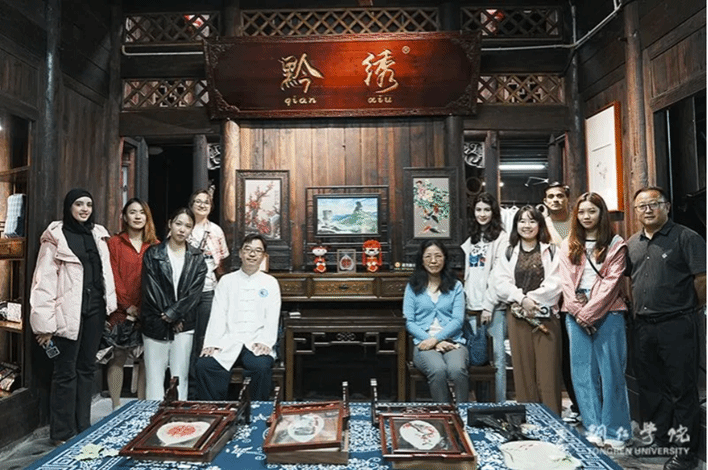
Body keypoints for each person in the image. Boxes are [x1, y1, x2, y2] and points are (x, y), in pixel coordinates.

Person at [626, 186, 706, 470]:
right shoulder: (632, 243)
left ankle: (685, 455)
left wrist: (687, 308)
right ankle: (658, 441)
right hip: (643, 326)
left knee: (682, 390)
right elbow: (629, 281)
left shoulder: (687, 237)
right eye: (642, 206)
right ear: (636, 211)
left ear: (667, 207)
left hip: (677, 324)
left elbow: (702, 280)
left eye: (654, 204)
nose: (648, 210)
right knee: (651, 388)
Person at [30, 188, 117, 444]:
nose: (84, 209)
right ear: (69, 207)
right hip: (67, 314)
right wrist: (44, 326)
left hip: (94, 311)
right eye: (79, 204)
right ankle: (62, 433)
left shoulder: (98, 235)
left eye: (88, 204)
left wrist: (109, 308)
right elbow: (43, 283)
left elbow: (104, 274)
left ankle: (83, 426)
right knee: (65, 372)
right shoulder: (55, 238)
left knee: (87, 369)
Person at [558, 192, 631, 449]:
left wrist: (588, 314)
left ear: (602, 214)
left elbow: (612, 283)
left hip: (609, 311)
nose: (586, 216)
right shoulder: (568, 243)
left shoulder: (616, 244)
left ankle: (616, 431)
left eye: (592, 211)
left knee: (612, 373)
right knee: (582, 373)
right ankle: (593, 427)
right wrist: (578, 312)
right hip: (575, 313)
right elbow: (566, 283)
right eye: (581, 212)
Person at [194, 234, 281, 401]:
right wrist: (212, 343)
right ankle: (215, 411)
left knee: (260, 366)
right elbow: (218, 314)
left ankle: (255, 411)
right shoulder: (226, 281)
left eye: (258, 251)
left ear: (264, 256)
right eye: (248, 250)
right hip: (229, 339)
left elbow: (272, 316)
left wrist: (266, 342)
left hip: (256, 340)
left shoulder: (270, 282)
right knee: (204, 365)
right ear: (240, 253)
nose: (252, 254)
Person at [495, 205, 562, 415]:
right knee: (523, 373)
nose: (527, 225)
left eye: (532, 221)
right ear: (515, 225)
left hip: (546, 317)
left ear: (540, 224)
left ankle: (552, 421)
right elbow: (500, 283)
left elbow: (557, 283)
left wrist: (531, 300)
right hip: (517, 317)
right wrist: (521, 299)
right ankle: (530, 420)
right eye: (522, 221)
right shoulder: (508, 252)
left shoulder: (552, 251)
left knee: (548, 373)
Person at [141, 207, 207, 401]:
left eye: (188, 226)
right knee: (154, 377)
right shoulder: (153, 253)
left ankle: (178, 414)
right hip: (156, 322)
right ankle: (153, 416)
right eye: (178, 224)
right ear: (170, 224)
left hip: (184, 325)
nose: (182, 229)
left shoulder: (197, 257)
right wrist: (169, 315)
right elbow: (151, 288)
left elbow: (194, 293)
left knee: (180, 377)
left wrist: (176, 314)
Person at [105, 198, 158, 409]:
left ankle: (142, 407)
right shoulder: (114, 243)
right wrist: (127, 305)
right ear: (125, 217)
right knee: (118, 356)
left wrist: (144, 308)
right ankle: (116, 406)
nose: (137, 216)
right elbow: (112, 276)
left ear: (147, 217)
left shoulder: (155, 245)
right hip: (122, 310)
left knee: (146, 360)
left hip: (147, 310)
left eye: (141, 212)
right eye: (133, 212)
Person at [404, 240, 468, 403]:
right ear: (422, 260)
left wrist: (437, 339)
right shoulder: (412, 287)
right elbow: (409, 321)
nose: (433, 261)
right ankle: (443, 412)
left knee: (457, 370)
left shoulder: (456, 286)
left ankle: (463, 412)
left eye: (438, 256)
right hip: (424, 343)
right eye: (428, 256)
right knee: (438, 370)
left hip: (453, 342)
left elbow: (457, 320)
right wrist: (432, 341)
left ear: (445, 259)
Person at [460, 192, 508, 402]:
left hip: (493, 307)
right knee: (477, 357)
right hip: (472, 305)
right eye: (478, 209)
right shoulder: (472, 237)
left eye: (487, 210)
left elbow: (499, 275)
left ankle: (499, 405)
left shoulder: (502, 238)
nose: (482, 214)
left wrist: (489, 304)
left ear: (494, 212)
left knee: (497, 358)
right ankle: (480, 405)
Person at [542, 181, 580, 424]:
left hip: (581, 294)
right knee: (563, 354)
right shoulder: (542, 225)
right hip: (554, 296)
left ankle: (587, 405)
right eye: (551, 196)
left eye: (560, 196)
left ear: (567, 199)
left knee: (581, 354)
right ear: (545, 201)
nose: (556, 200)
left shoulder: (578, 223)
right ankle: (574, 405)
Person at [186, 189, 230, 400]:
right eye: (198, 201)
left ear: (211, 207)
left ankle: (199, 390)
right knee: (186, 339)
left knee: (204, 338)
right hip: (185, 292)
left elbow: (221, 263)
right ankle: (185, 388)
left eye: (206, 202)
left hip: (208, 290)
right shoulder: (184, 226)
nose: (202, 205)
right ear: (191, 204)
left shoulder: (216, 231)